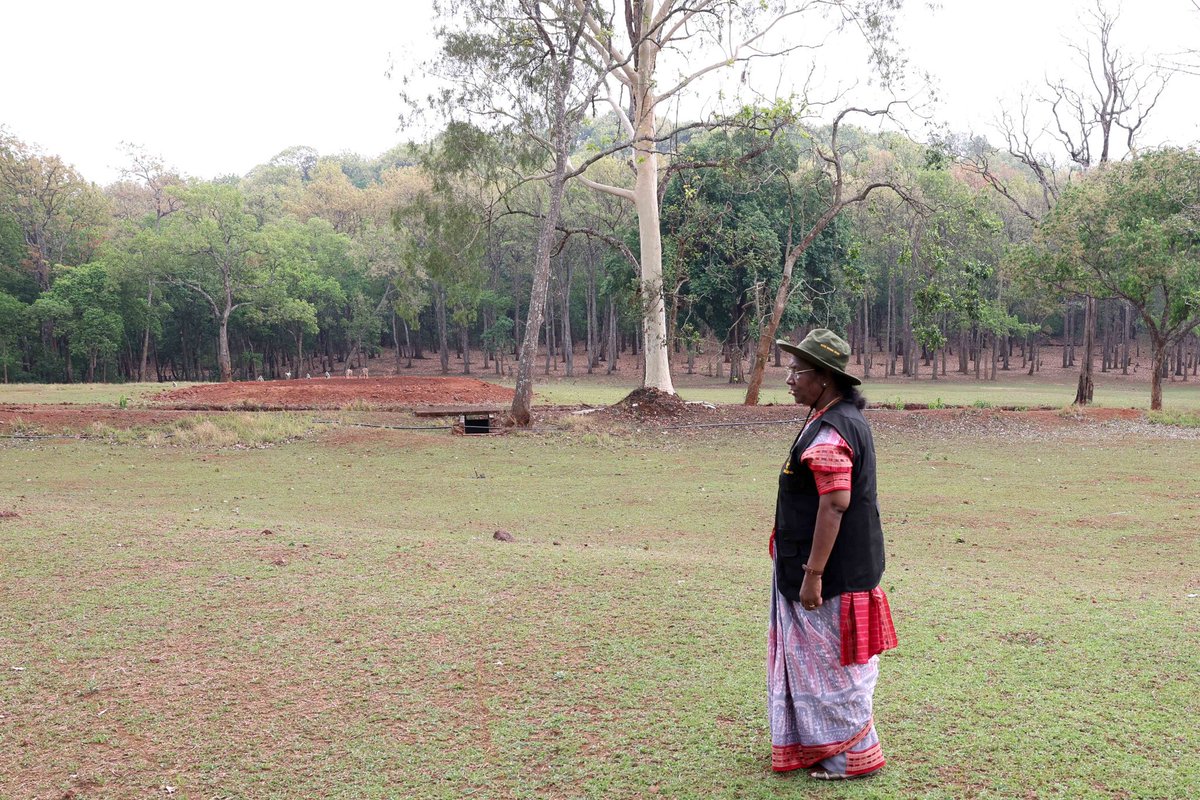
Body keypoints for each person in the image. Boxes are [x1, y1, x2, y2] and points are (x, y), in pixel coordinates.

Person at [767, 328, 897, 780]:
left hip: (830, 573)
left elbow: (835, 503)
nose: (788, 379)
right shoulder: (830, 417)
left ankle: (847, 755)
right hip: (834, 566)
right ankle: (825, 747)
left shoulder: (832, 429)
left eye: (796, 371)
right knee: (829, 665)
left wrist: (813, 573)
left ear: (823, 378)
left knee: (833, 668)